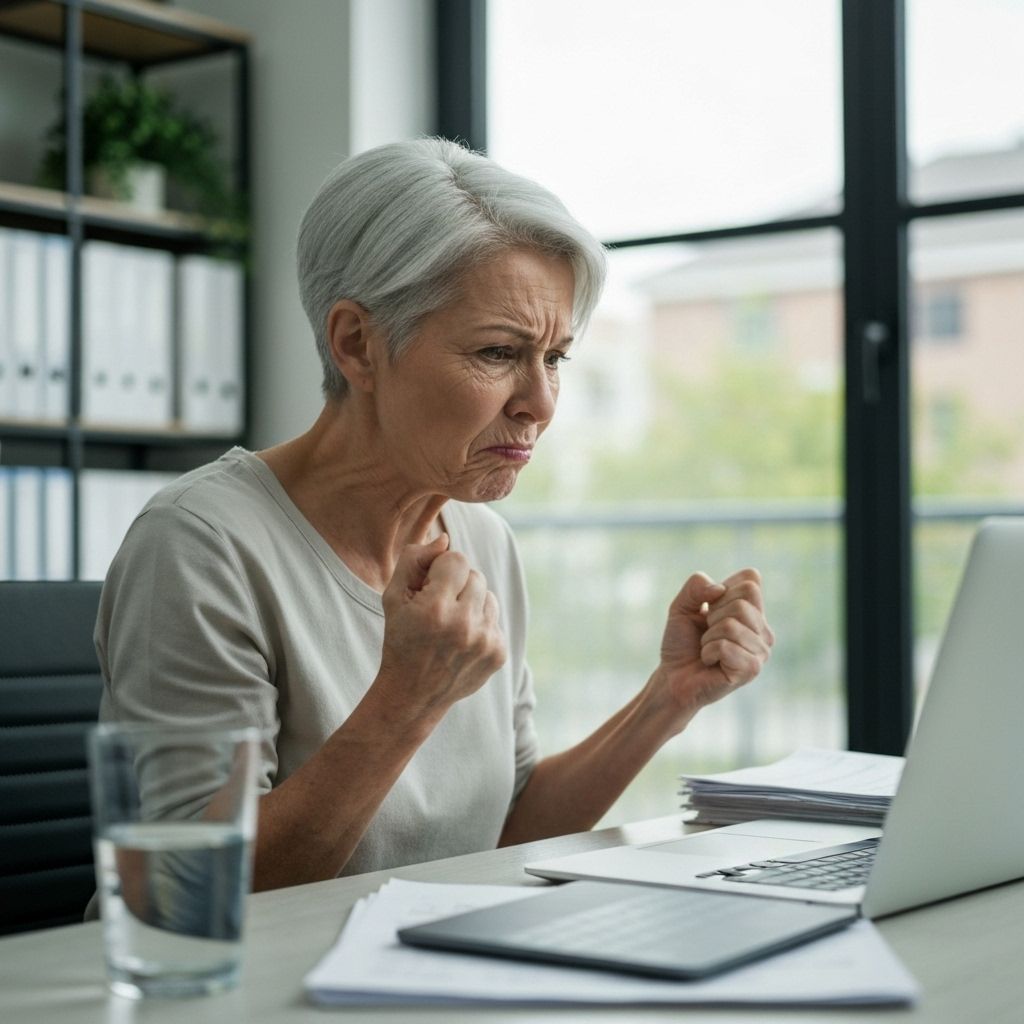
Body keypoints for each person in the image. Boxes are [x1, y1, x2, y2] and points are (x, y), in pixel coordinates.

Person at [95, 137, 774, 893]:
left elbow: (505, 834)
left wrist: (666, 700)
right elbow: (196, 891)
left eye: (555, 358)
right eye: (497, 353)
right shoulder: (199, 543)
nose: (541, 405)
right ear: (357, 345)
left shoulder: (481, 538)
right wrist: (407, 698)